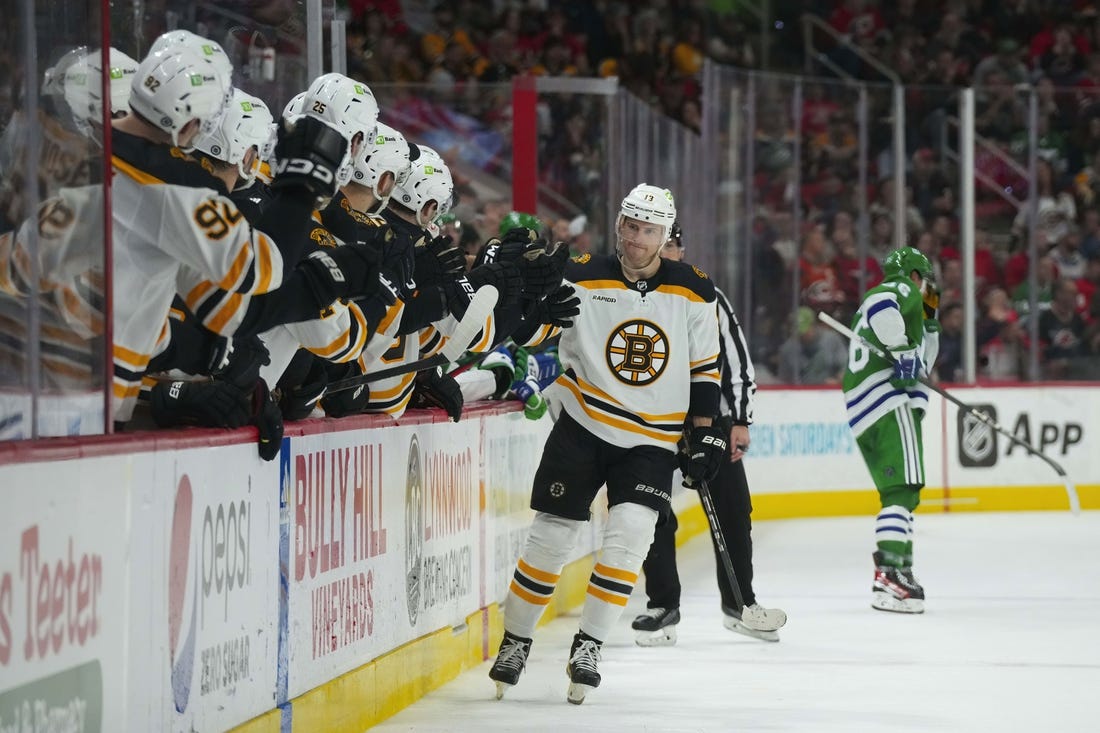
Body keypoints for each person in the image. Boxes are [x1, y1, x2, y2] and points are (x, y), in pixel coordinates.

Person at [488, 184, 726, 704]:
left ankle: (590, 644)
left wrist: (706, 430)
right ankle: (516, 640)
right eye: (631, 227)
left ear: (666, 236)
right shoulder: (579, 272)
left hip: (651, 439)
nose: (638, 240)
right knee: (550, 540)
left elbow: (705, 366)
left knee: (631, 538)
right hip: (582, 425)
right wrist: (526, 303)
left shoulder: (695, 290)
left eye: (649, 231)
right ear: (619, 224)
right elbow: (532, 338)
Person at [631, 222, 787, 645]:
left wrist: (738, 419)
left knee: (734, 510)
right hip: (649, 421)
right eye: (662, 244)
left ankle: (740, 605)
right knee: (651, 512)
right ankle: (662, 606)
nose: (668, 251)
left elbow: (735, 359)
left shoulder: (706, 294)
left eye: (674, 244)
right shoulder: (629, 296)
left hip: (709, 422)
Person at [842, 246, 940, 614]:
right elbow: (881, 301)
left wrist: (927, 327)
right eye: (924, 279)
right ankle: (888, 577)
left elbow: (925, 357)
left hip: (869, 407)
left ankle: (900, 568)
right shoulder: (901, 287)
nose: (928, 287)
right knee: (901, 490)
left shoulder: (919, 303)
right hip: (887, 401)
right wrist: (900, 349)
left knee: (902, 492)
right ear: (915, 274)